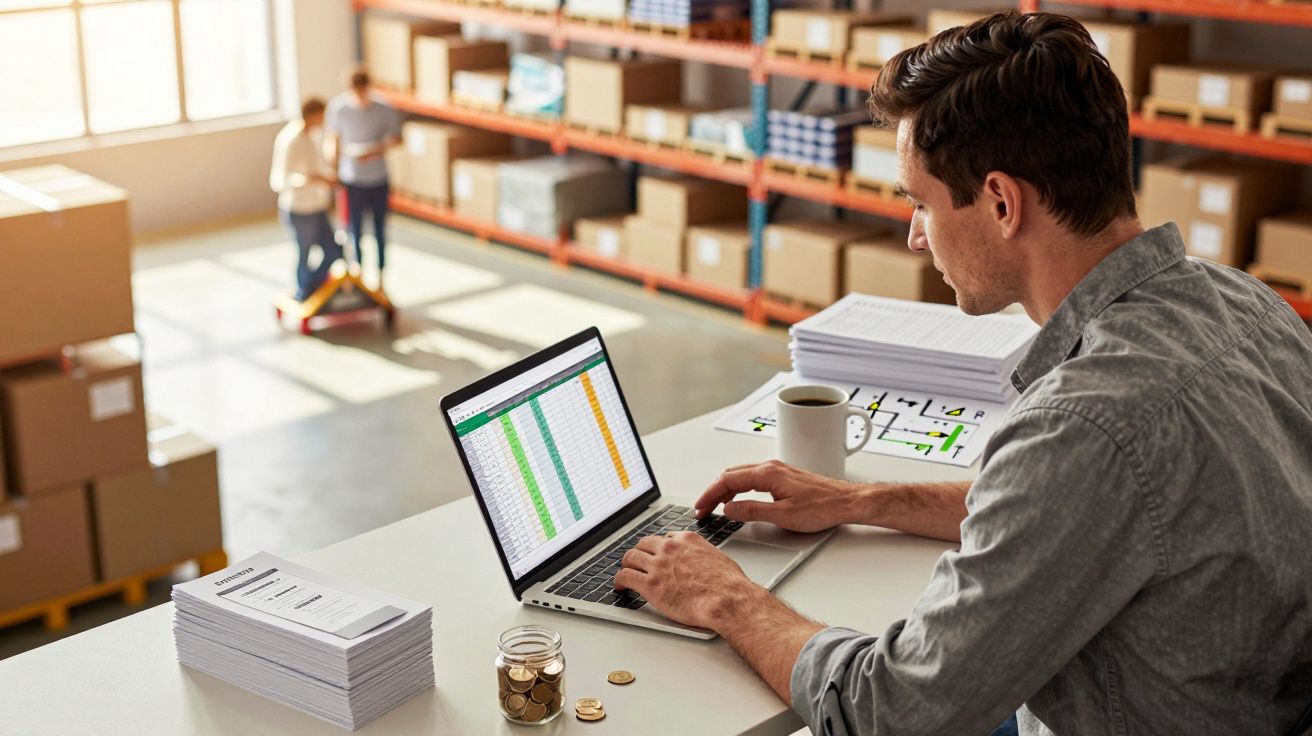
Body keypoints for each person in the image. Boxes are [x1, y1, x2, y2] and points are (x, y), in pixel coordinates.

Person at [615, 11, 1312, 735]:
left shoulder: (1087, 423)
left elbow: (893, 712)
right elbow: (1089, 508)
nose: (916, 233)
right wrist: (858, 501)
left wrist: (728, 598)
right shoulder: (1243, 303)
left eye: (921, 201)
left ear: (1003, 203)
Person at [325, 67, 401, 290]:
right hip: (352, 178)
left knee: (379, 228)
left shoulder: (384, 108)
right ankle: (357, 271)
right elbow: (334, 139)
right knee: (353, 228)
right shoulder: (339, 109)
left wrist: (377, 149)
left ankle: (380, 274)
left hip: (378, 177)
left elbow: (397, 138)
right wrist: (333, 166)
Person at [270, 98, 343, 302]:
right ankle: (304, 291)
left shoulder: (314, 137)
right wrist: (313, 179)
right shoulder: (290, 139)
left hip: (317, 206)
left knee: (334, 251)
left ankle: (314, 286)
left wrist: (326, 179)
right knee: (304, 253)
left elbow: (319, 166)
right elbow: (281, 179)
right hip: (299, 209)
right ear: (311, 115)